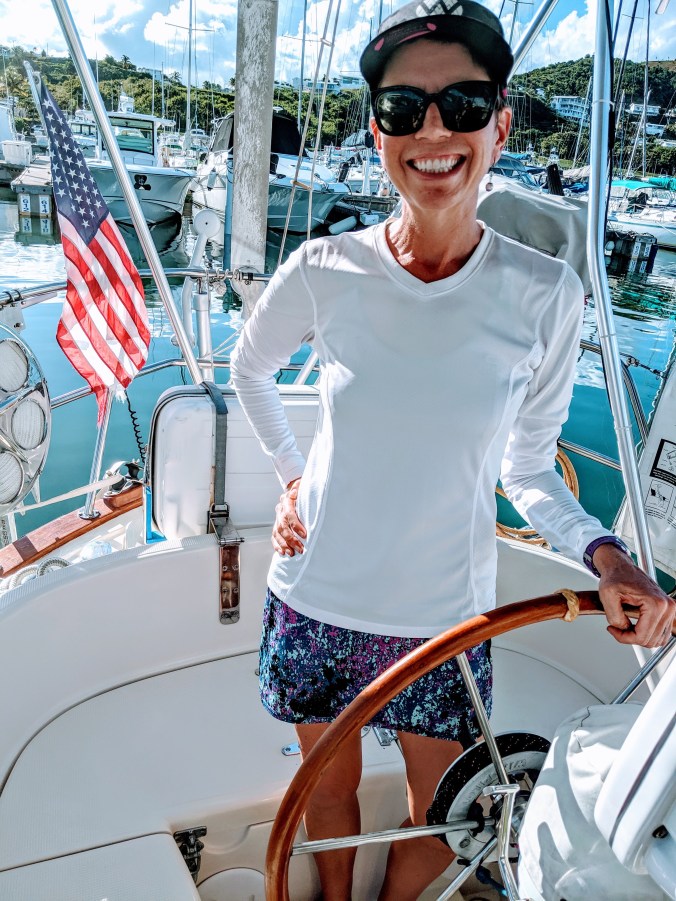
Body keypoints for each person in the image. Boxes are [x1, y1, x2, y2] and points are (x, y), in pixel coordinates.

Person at [230, 2, 676, 898]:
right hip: (317, 597)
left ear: (500, 126)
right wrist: (291, 476)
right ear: (378, 132)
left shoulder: (546, 293)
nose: (433, 131)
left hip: (445, 618)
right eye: (404, 109)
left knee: (441, 816)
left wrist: (607, 554)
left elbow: (527, 467)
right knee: (327, 797)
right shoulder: (323, 270)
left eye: (463, 105)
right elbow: (249, 369)